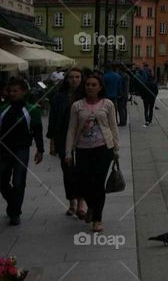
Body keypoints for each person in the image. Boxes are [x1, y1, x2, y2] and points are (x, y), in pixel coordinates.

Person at [64, 74, 120, 233]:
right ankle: (92, 207)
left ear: (100, 87)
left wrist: (116, 148)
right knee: (83, 183)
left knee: (98, 184)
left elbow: (113, 126)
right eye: (88, 84)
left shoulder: (107, 104)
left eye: (94, 84)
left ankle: (97, 219)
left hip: (103, 148)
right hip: (82, 149)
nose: (90, 87)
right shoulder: (77, 106)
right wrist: (68, 152)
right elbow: (71, 129)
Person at [0, 78, 44, 225]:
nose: (12, 93)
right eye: (10, 91)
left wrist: (40, 149)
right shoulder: (2, 109)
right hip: (3, 149)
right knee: (2, 180)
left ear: (24, 92)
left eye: (15, 91)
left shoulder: (32, 110)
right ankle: (13, 202)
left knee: (19, 181)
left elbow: (37, 130)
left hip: (21, 149)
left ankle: (15, 212)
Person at [47, 68, 85, 217]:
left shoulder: (85, 96)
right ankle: (72, 202)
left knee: (81, 171)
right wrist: (52, 142)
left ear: (81, 78)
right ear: (66, 79)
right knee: (68, 172)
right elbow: (52, 118)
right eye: (71, 77)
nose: (74, 80)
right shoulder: (58, 97)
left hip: (83, 138)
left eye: (77, 77)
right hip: (62, 137)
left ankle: (81, 203)